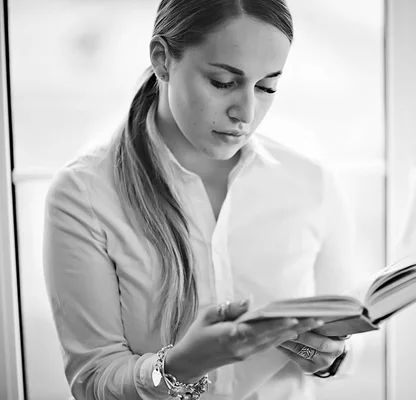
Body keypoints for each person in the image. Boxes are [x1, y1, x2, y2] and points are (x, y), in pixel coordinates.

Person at [43, 0, 362, 399]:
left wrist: (331, 356)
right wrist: (183, 364)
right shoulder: (84, 194)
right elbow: (92, 382)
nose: (246, 112)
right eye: (223, 82)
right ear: (162, 60)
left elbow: (348, 343)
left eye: (267, 87)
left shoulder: (309, 183)